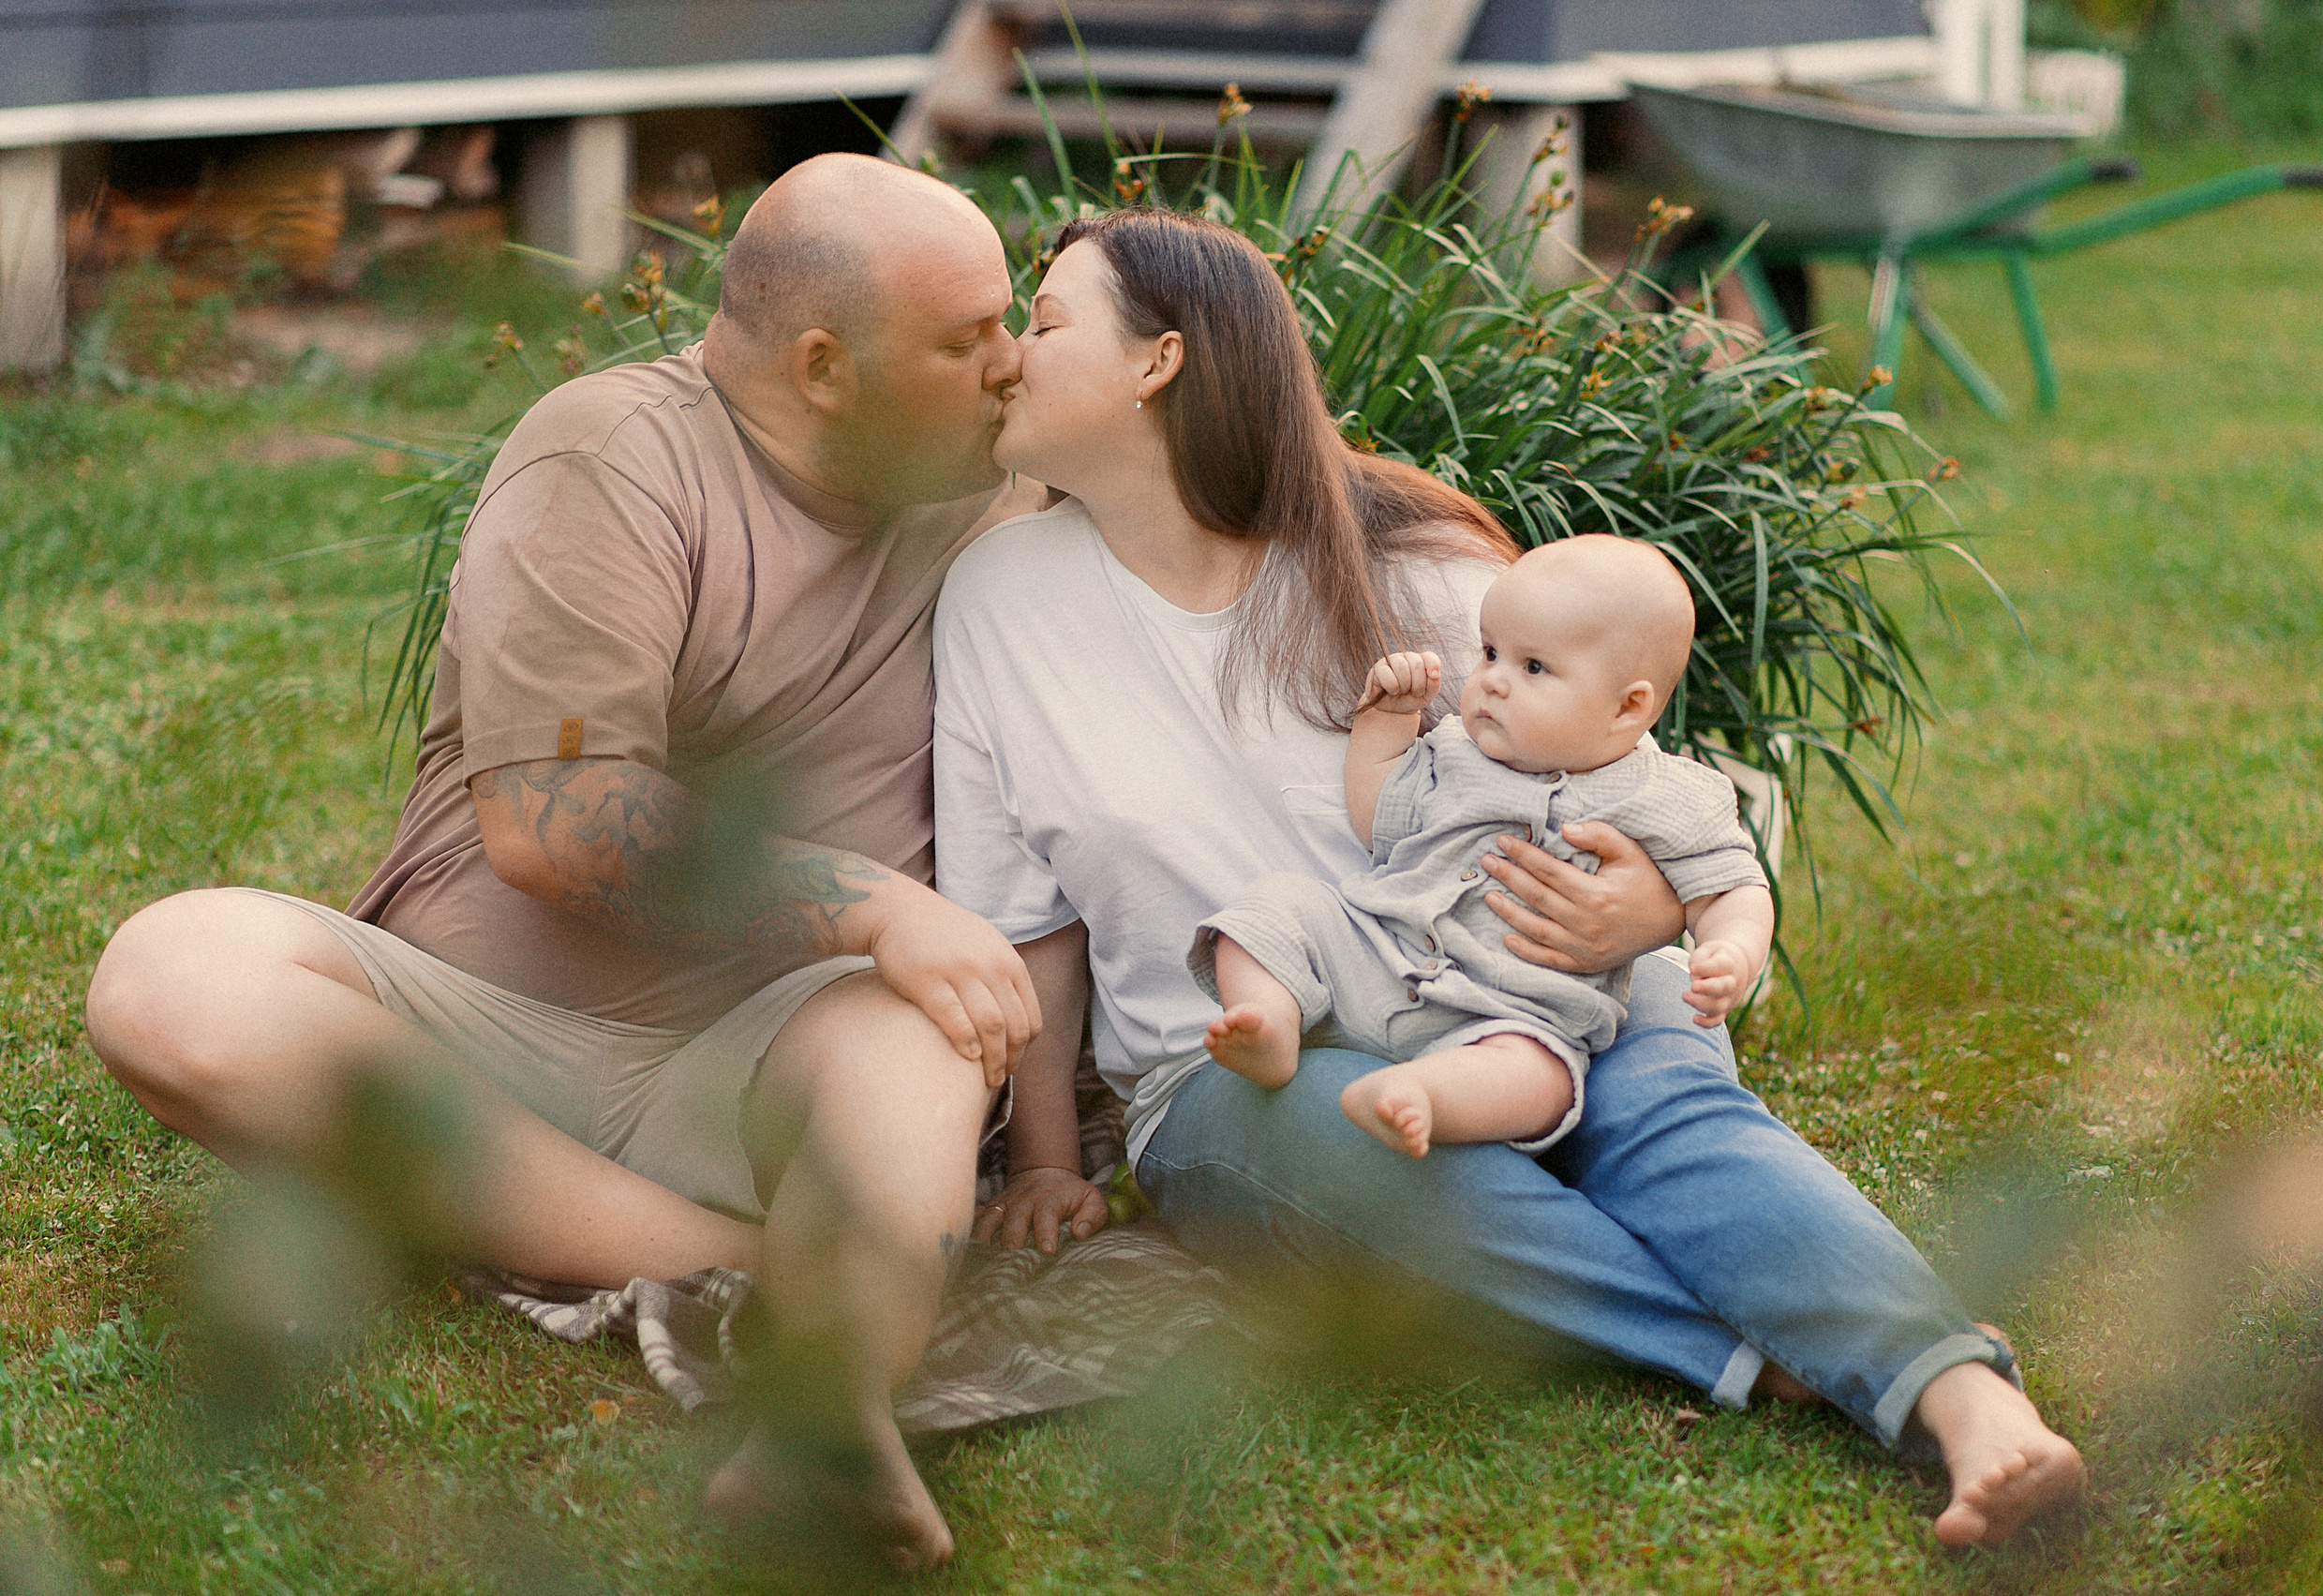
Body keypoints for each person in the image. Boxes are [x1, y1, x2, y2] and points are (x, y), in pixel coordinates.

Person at [937, 207, 2085, 1549]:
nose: (1008, 353)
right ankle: (1773, 1349)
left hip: (1543, 983)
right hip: (1231, 1066)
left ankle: (1970, 1403)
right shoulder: (997, 598)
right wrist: (1046, 1155)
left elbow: (1629, 773)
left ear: (1160, 361)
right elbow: (1024, 917)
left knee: (1672, 1122)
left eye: (1043, 320)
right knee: (1346, 1149)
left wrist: (1651, 909)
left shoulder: (1417, 565)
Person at [83, 153, 1047, 1570]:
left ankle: (827, 1406)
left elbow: (1277, 484)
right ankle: (746, 1260)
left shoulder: (1005, 476)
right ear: (823, 367)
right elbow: (556, 818)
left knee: (924, 1030)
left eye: (1013, 321)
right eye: (969, 337)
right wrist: (875, 903)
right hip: (475, 1052)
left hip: (774, 1056)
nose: (1012, 361)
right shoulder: (613, 457)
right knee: (170, 975)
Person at [1195, 533, 1777, 1158]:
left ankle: (1425, 1095)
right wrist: (1385, 719)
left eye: (1533, 667)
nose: (1493, 680)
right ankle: (1269, 1022)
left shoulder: (1669, 795)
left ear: (1626, 708)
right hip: (1378, 955)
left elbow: (1733, 888)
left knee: (1544, 1077)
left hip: (1513, 1014)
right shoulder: (1455, 750)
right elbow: (1378, 816)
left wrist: (1732, 951)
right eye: (1491, 652)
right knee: (1274, 907)